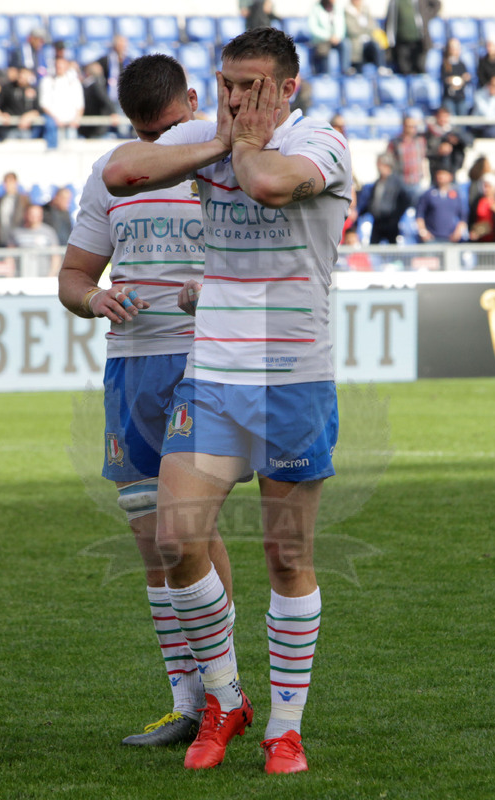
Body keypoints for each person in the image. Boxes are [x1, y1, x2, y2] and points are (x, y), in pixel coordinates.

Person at [102, 27, 352, 774]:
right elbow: (121, 170)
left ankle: (285, 728)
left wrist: (236, 145)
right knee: (176, 539)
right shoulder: (212, 138)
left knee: (286, 557)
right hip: (212, 374)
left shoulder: (323, 142)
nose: (235, 98)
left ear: (287, 88)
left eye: (249, 86)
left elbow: (272, 184)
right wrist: (218, 140)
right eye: (225, 84)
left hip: (293, 375)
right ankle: (225, 698)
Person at [58, 54, 235, 748]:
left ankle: (225, 692)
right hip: (130, 367)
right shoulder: (112, 172)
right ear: (188, 96)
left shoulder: (227, 164)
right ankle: (189, 701)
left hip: (203, 362)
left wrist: (212, 289)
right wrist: (95, 296)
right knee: (151, 539)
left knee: (186, 531)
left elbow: (260, 257)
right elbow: (74, 274)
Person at [357, 151, 411, 243]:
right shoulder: (378, 182)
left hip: (391, 222)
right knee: (374, 247)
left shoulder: (396, 182)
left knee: (392, 250)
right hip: (378, 221)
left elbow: (405, 201)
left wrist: (395, 216)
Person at [39, 56, 85, 148]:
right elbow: (44, 103)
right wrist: (55, 119)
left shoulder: (74, 82)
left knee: (72, 150)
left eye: (61, 65)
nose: (59, 68)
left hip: (71, 123)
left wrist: (77, 118)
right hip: (54, 124)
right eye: (57, 65)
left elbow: (80, 103)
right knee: (53, 151)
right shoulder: (47, 81)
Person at [415, 162, 468, 243]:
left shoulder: (456, 195)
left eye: (443, 174)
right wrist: (423, 232)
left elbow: (463, 217)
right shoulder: (428, 194)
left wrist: (458, 233)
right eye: (439, 174)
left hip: (450, 239)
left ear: (450, 176)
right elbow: (419, 215)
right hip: (432, 239)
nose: (440, 177)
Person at [384, 0, 441, 75]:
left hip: (419, 40)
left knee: (420, 68)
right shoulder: (395, 2)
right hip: (402, 41)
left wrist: (426, 16)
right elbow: (390, 21)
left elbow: (437, 4)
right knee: (405, 69)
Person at [0, 66, 42, 141]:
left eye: (25, 74)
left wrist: (29, 116)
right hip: (9, 128)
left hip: (27, 130)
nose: (22, 76)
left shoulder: (34, 90)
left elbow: (39, 110)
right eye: (20, 73)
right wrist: (0, 115)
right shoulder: (8, 88)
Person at [8, 203, 61, 277]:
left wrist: (51, 275)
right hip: (21, 276)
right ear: (26, 214)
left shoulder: (49, 232)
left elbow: (55, 256)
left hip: (43, 277)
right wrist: (10, 275)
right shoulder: (16, 233)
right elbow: (10, 256)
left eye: (37, 215)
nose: (34, 217)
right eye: (32, 214)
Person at [387, 113, 428, 207]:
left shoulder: (421, 141)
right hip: (401, 181)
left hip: (416, 181)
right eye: (409, 126)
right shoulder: (395, 142)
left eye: (413, 126)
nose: (411, 129)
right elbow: (388, 160)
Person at [308, 0, 353, 76]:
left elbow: (341, 26)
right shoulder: (316, 8)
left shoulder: (337, 8)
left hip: (336, 39)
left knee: (346, 43)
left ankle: (345, 70)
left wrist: (337, 36)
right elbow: (313, 28)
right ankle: (325, 73)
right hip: (321, 40)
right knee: (323, 48)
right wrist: (328, 36)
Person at [425, 106, 472, 177]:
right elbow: (425, 150)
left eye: (445, 117)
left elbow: (470, 142)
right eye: (441, 117)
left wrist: (458, 140)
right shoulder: (430, 133)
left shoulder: (455, 131)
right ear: (436, 117)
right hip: (436, 169)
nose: (443, 120)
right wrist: (438, 150)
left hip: (452, 168)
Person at [344, 0, 389, 74]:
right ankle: (358, 71)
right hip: (355, 42)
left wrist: (362, 29)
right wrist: (364, 29)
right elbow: (351, 30)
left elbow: (372, 26)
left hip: (368, 41)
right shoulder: (347, 11)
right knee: (359, 51)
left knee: (376, 44)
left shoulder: (365, 9)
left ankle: (381, 67)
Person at [79, 62, 120, 139]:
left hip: (96, 127)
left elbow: (105, 99)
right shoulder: (91, 85)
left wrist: (113, 112)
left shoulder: (94, 85)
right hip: (91, 127)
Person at [0, 172, 29, 248]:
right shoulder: (0, 200)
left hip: (17, 240)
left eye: (10, 182)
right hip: (2, 240)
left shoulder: (23, 199)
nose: (8, 185)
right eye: (6, 182)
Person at [468, 172, 495, 243]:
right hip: (479, 240)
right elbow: (472, 218)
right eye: (485, 186)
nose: (486, 189)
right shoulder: (477, 201)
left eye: (489, 186)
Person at [440, 38, 471, 118]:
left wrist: (464, 80)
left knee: (462, 119)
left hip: (460, 97)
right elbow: (444, 79)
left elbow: (466, 79)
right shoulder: (445, 65)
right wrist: (450, 81)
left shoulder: (462, 64)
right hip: (449, 97)